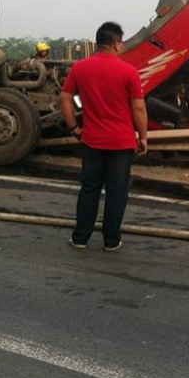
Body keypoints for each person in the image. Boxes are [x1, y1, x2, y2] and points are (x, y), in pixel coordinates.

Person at [60, 22, 148, 251]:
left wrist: (73, 128)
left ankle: (81, 238)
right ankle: (111, 240)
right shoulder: (129, 72)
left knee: (89, 189)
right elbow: (138, 108)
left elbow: (66, 98)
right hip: (121, 143)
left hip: (91, 140)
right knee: (116, 191)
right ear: (117, 43)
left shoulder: (80, 68)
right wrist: (144, 136)